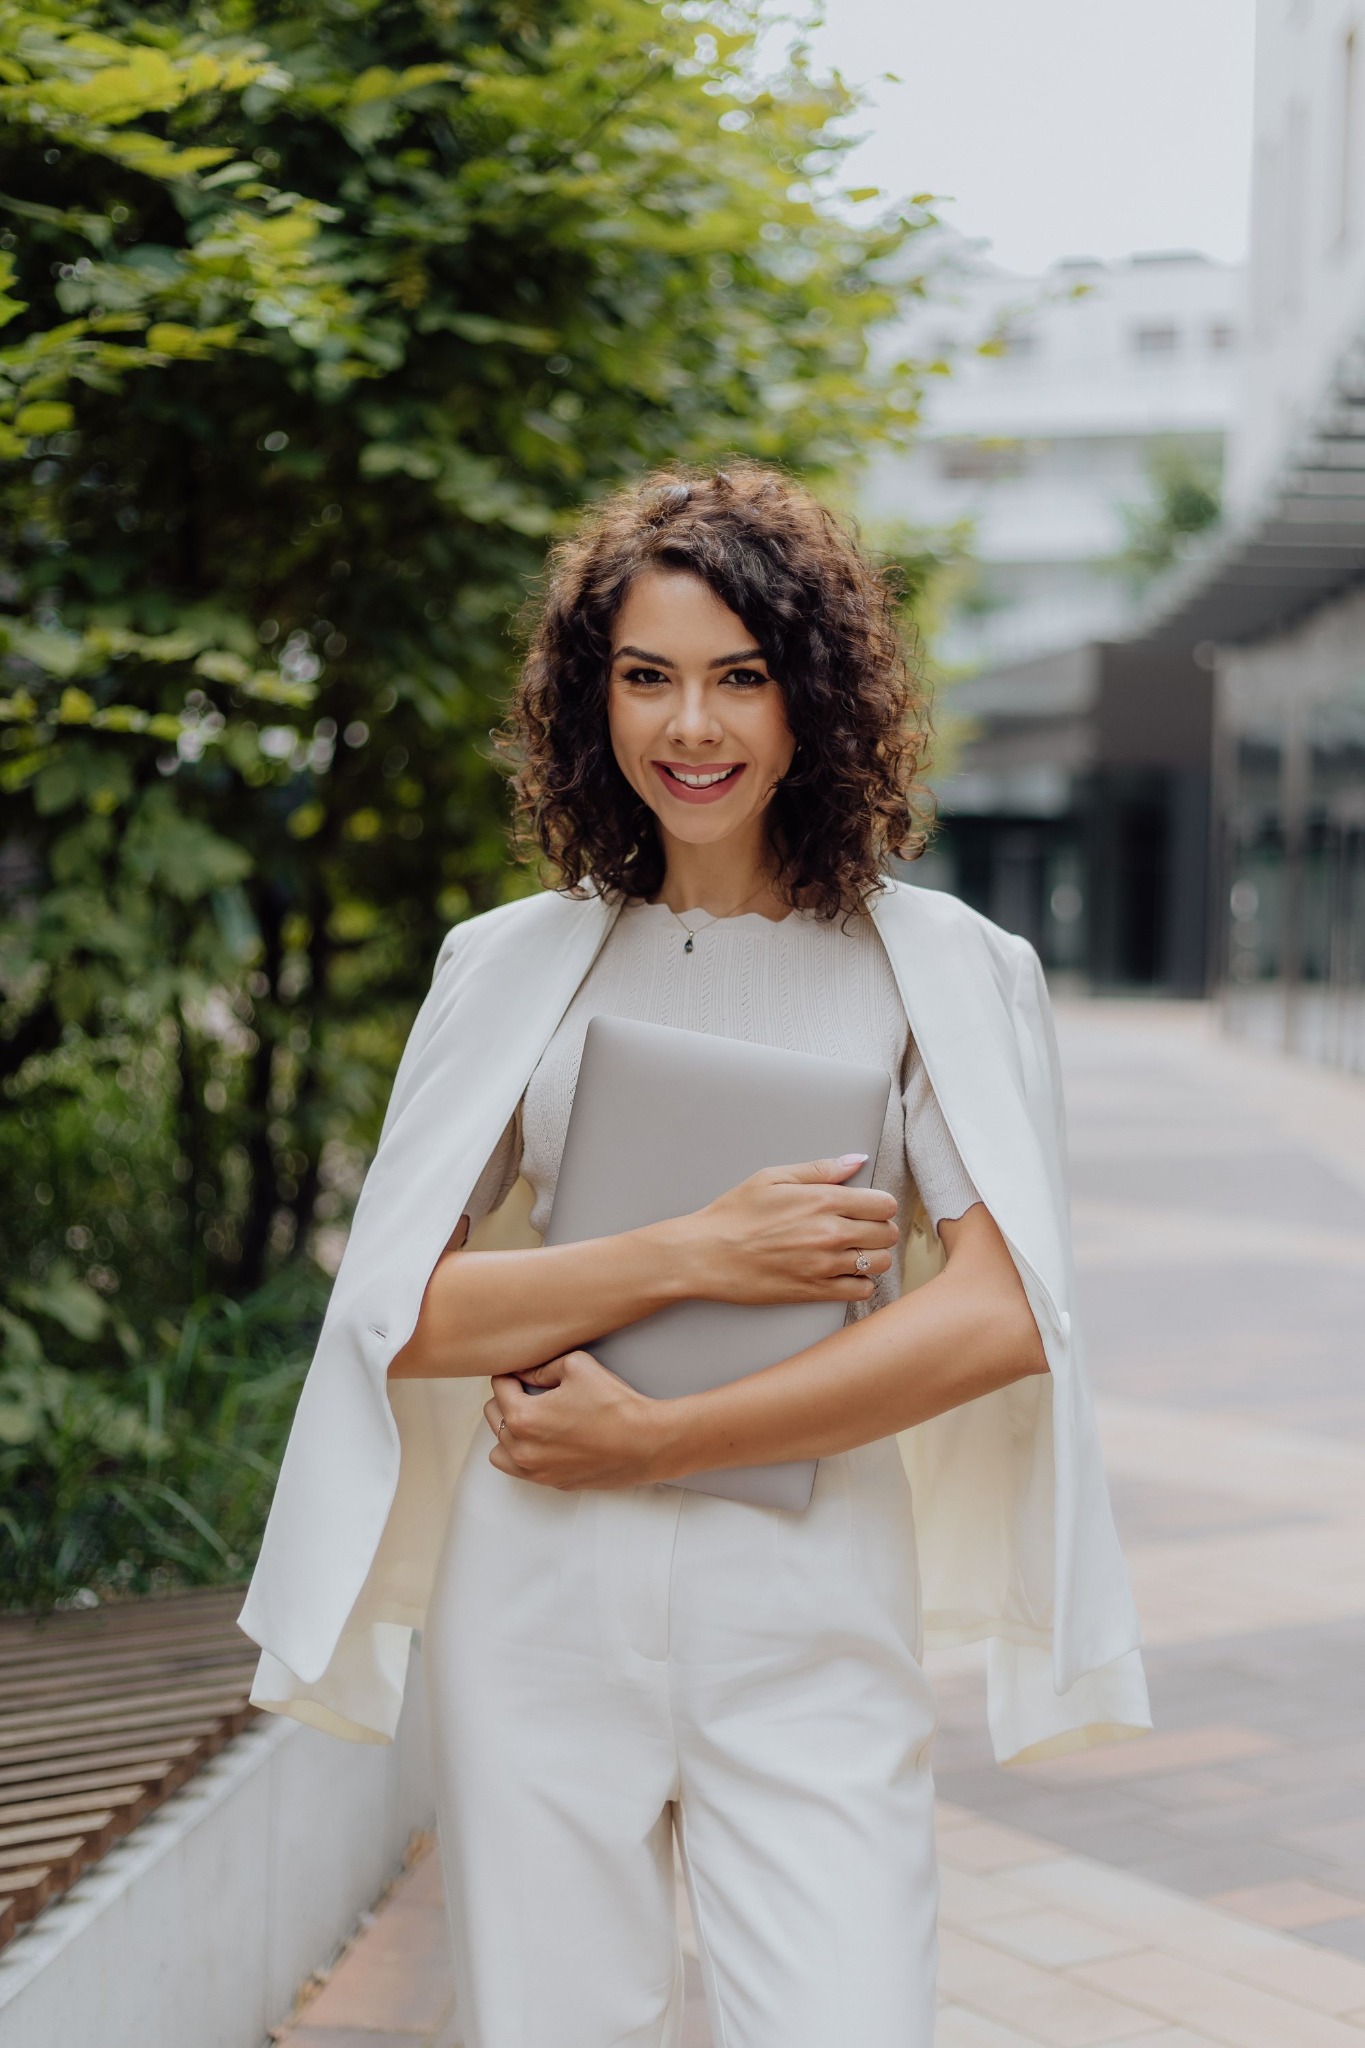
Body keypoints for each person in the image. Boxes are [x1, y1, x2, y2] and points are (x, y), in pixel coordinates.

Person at [239, 465, 1150, 2048]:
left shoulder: (935, 969)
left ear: (811, 698)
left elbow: (1001, 1318)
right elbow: (401, 1317)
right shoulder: (514, 965)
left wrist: (658, 1437)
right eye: (645, 677)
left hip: (806, 1605)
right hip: (536, 1604)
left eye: (740, 678)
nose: (692, 729)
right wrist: (695, 1249)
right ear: (591, 701)